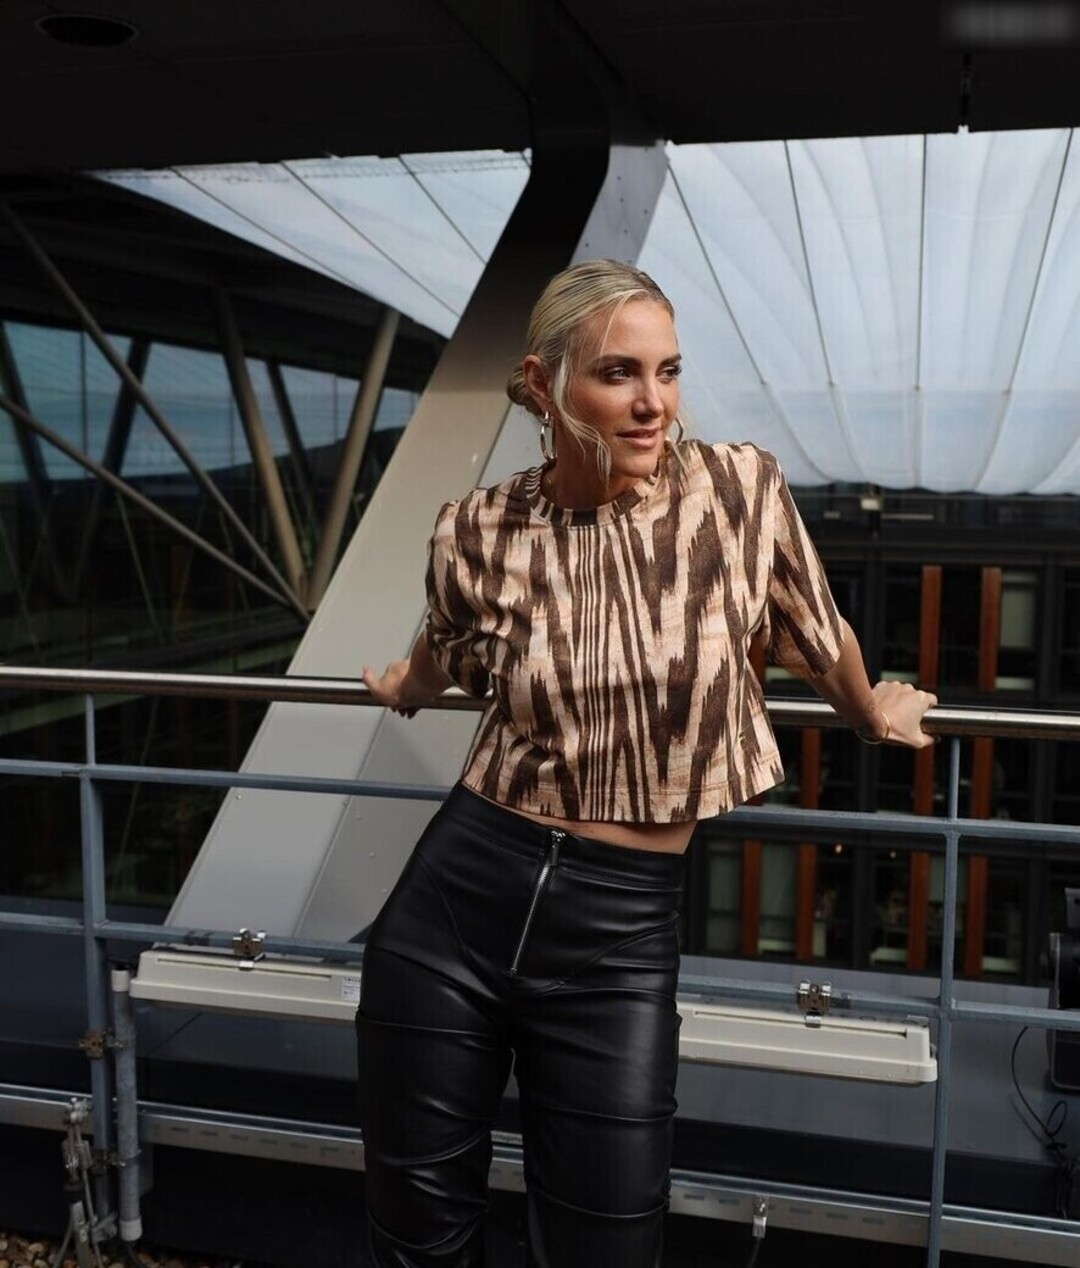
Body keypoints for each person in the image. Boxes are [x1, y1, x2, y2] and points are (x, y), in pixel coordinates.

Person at [357, 259, 936, 1267]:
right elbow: (447, 645)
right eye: (618, 372)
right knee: (421, 1243)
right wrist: (406, 681)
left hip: (620, 935)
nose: (652, 401)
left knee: (609, 1247)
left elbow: (816, 625)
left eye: (667, 371)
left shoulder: (738, 491)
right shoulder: (477, 529)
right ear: (543, 384)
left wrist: (867, 709)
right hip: (456, 903)